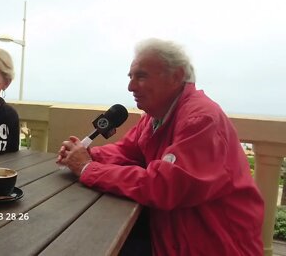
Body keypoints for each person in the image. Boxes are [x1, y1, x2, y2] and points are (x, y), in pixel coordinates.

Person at [57, 38, 264, 255]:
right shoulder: (155, 116)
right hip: (170, 236)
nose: (130, 86)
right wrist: (86, 154)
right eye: (131, 77)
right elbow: (127, 151)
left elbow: (165, 186)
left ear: (176, 76)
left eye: (141, 76)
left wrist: (88, 168)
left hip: (213, 244)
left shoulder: (201, 120)